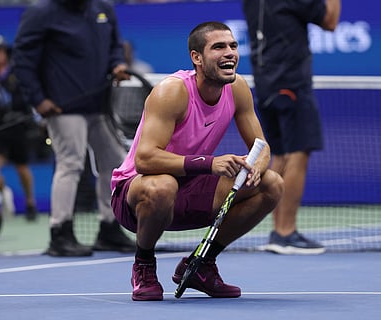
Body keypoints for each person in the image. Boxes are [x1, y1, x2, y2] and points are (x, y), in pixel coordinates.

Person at [111, 21, 284, 301]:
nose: (229, 53)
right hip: (136, 194)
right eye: (218, 47)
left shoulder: (238, 88)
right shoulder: (172, 91)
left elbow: (261, 147)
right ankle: (143, 264)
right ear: (197, 58)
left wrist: (256, 168)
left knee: (271, 183)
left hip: (190, 191)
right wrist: (207, 163)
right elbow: (145, 159)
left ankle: (201, 265)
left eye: (233, 46)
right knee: (162, 186)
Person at [12, 0, 135, 256]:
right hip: (62, 106)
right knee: (71, 163)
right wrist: (38, 99)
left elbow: (114, 45)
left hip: (100, 105)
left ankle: (110, 227)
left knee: (115, 162)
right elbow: (22, 59)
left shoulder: (103, 8)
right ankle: (60, 232)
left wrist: (117, 64)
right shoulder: (40, 12)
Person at [242, 0, 341, 254]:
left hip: (265, 84)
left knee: (283, 154)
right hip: (291, 82)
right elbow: (330, 21)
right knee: (298, 151)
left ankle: (278, 231)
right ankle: (286, 232)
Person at [0, 34, 38, 222]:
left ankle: (30, 202)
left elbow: (25, 98)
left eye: (1, 51)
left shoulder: (16, 74)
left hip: (16, 128)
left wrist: (19, 114)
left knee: (22, 169)